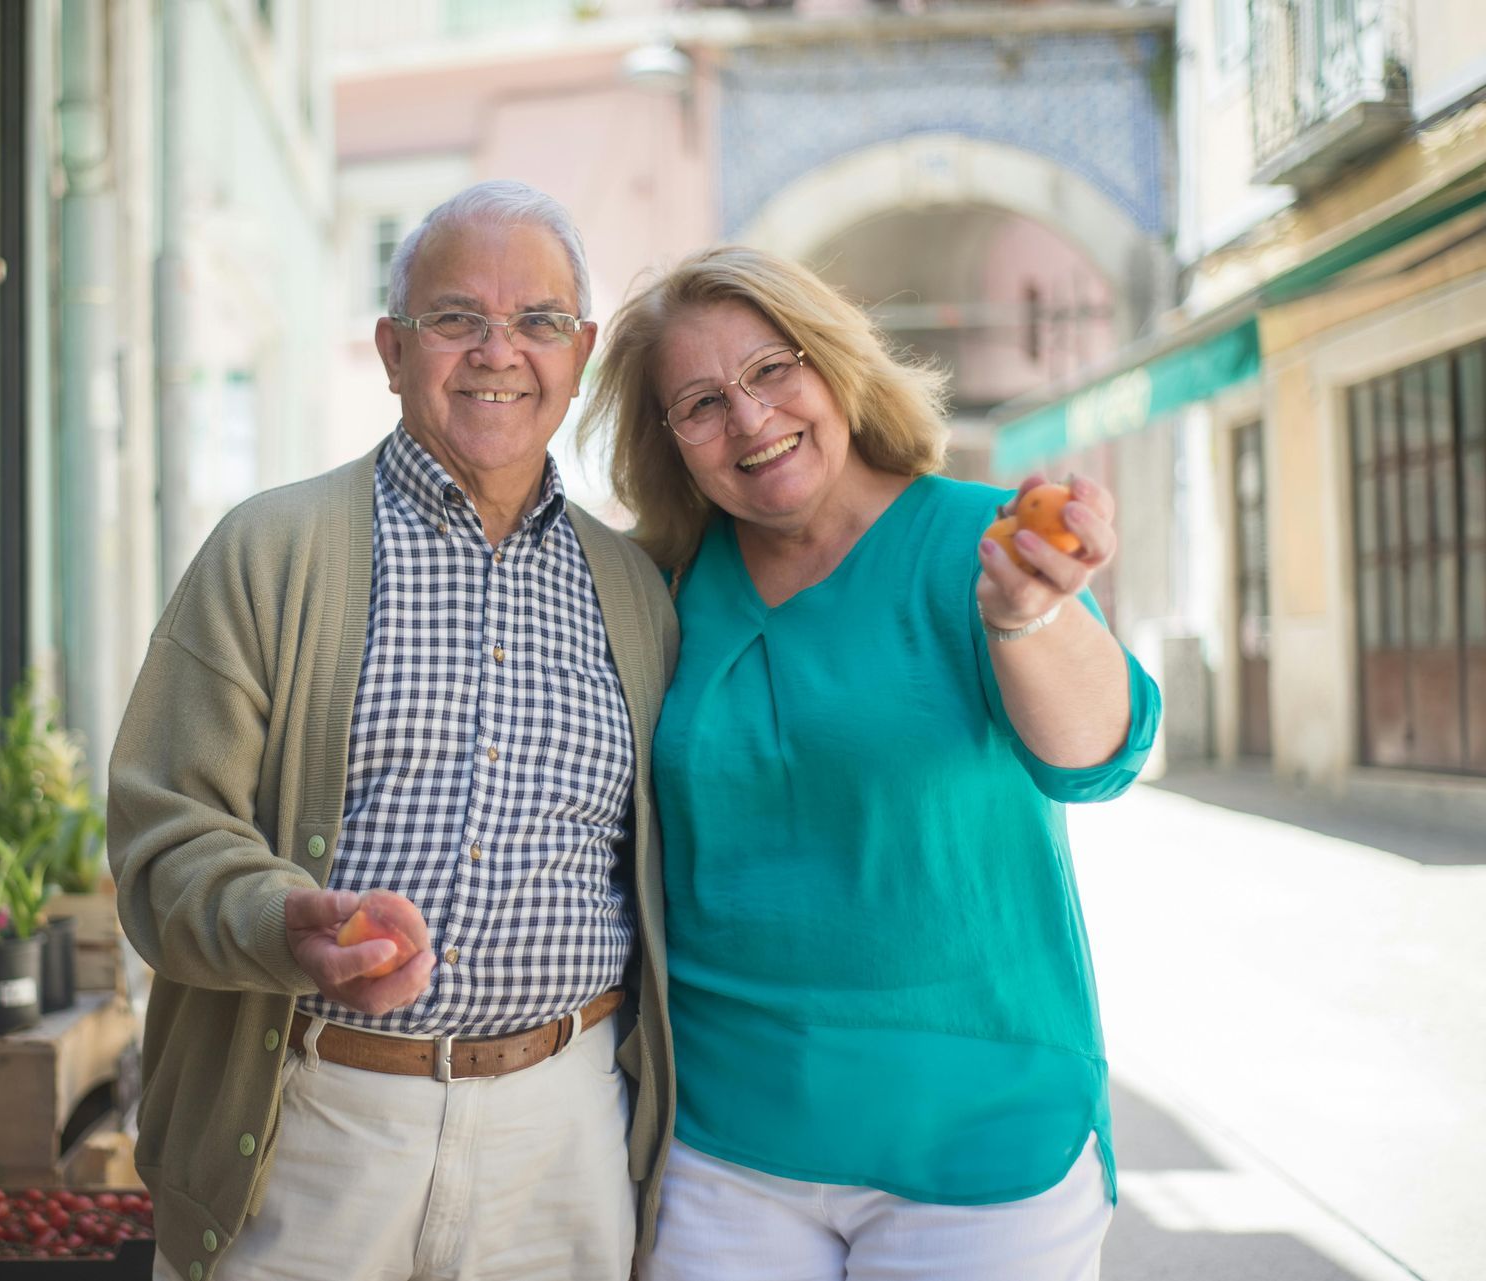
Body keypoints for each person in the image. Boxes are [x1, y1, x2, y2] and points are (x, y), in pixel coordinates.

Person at [108, 180, 678, 1281]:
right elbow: (161, 835)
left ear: (583, 352)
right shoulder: (271, 550)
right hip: (317, 1117)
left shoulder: (639, 591)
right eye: (456, 318)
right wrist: (286, 924)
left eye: (539, 322)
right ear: (391, 348)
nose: (497, 351)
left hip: (564, 1134)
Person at [577, 245, 1160, 1281]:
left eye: (771, 369)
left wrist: (1032, 618)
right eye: (702, 403)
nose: (750, 420)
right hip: (727, 1148)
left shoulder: (975, 543)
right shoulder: (659, 590)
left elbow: (1099, 757)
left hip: (981, 1144)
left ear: (835, 363)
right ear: (670, 444)